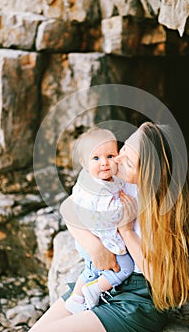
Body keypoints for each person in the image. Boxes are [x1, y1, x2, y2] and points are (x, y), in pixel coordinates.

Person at [29, 121, 189, 332]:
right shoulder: (117, 180)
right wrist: (95, 247)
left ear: (149, 176)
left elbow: (163, 282)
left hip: (137, 300)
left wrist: (126, 230)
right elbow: (69, 208)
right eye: (124, 149)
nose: (117, 160)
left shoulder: (167, 213)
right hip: (101, 280)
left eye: (129, 162)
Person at [61, 127, 136, 313]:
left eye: (110, 156)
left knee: (90, 270)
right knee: (124, 268)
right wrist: (127, 210)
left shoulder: (90, 179)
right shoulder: (99, 190)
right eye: (96, 158)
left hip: (87, 241)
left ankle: (76, 299)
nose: (104, 163)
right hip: (101, 241)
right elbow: (108, 215)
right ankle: (94, 290)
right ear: (84, 163)